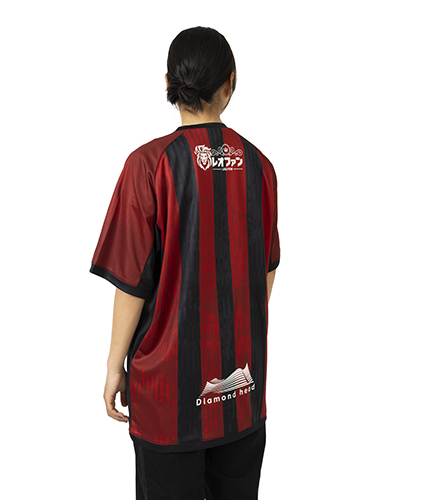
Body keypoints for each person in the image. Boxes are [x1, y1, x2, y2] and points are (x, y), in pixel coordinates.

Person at [90, 26, 280, 500]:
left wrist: (114, 366)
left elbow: (131, 281)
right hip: (242, 392)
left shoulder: (148, 164)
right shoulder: (260, 166)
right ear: (230, 83)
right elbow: (266, 272)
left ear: (169, 84)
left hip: (167, 398)